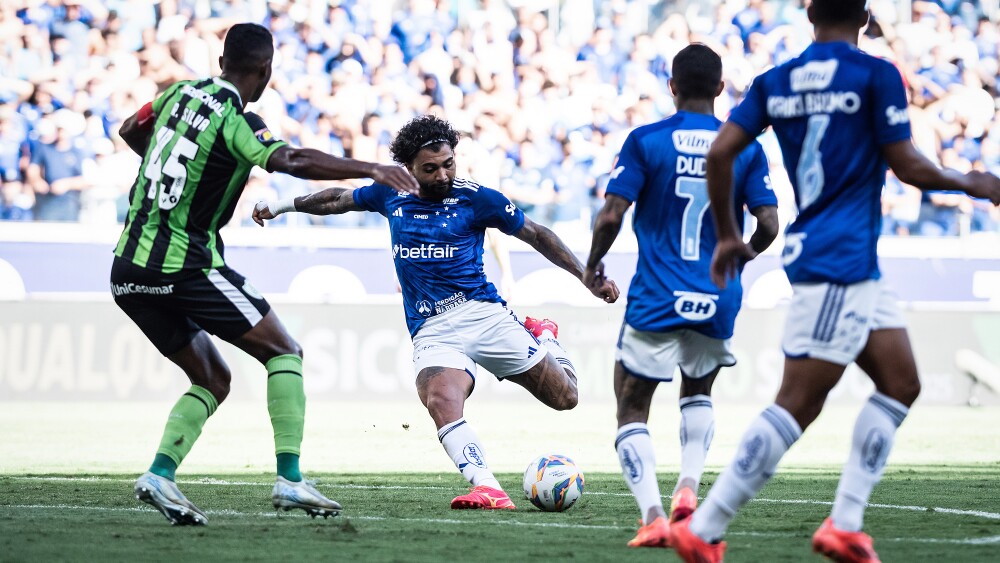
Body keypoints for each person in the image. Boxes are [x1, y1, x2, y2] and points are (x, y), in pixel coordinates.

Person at [669, 2, 1000, 562]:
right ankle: (704, 528)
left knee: (901, 383)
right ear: (866, 15)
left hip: (849, 262)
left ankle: (844, 524)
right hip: (837, 259)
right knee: (797, 403)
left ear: (809, 13)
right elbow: (907, 164)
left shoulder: (777, 80)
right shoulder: (876, 74)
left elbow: (722, 151)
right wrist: (971, 181)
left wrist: (729, 233)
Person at [112, 23, 419, 526]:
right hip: (185, 264)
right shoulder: (240, 120)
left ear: (220, 62)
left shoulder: (174, 95)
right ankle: (291, 479)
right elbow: (290, 158)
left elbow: (129, 129)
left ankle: (160, 473)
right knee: (285, 351)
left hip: (128, 269)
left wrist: (167, 166)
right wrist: (372, 168)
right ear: (266, 71)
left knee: (212, 377)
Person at [254, 115, 621, 510]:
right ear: (408, 168)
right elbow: (336, 201)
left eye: (448, 164)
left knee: (566, 398)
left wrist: (586, 274)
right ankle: (487, 487)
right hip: (431, 327)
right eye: (430, 168)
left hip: (482, 314)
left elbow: (536, 234)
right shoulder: (389, 192)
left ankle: (545, 333)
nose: (443, 174)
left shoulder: (479, 199)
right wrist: (279, 205)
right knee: (439, 398)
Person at [583, 44, 779, 549]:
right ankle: (688, 490)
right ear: (719, 89)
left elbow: (610, 215)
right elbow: (769, 223)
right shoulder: (745, 146)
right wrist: (742, 255)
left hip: (656, 296)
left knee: (631, 406)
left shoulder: (646, 141)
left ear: (671, 87)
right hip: (717, 292)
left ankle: (652, 516)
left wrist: (592, 264)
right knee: (698, 392)